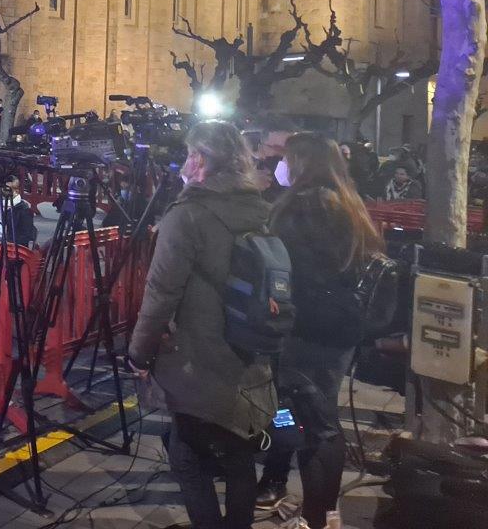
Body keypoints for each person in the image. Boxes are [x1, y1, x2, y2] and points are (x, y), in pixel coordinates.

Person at [126, 121, 276, 529]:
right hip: (247, 352)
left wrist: (138, 354)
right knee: (239, 457)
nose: (185, 163)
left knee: (186, 458)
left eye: (191, 154)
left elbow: (160, 294)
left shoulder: (188, 216)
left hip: (199, 359)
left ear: (202, 160)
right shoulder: (257, 209)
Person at [256, 133, 382, 528]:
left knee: (317, 425)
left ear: (301, 164)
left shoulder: (301, 208)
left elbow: (280, 269)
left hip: (304, 332)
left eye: (287, 158)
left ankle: (318, 513)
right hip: (338, 331)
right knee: (295, 412)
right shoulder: (348, 202)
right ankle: (283, 482)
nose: (281, 165)